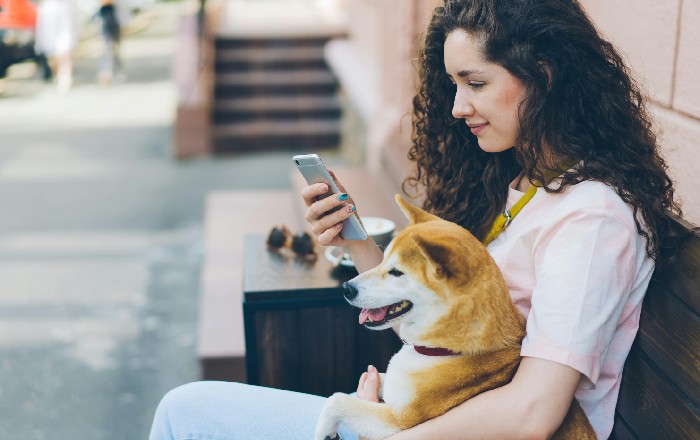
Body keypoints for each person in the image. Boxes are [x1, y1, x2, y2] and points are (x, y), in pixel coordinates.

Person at [149, 0, 685, 439]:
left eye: (474, 83)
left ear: (542, 76)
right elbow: (442, 324)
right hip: (427, 414)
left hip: (429, 429)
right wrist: (353, 235)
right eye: (453, 85)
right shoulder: (526, 184)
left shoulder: (592, 220)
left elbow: (532, 414)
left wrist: (389, 432)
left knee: (184, 413)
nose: (456, 107)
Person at [34, 0, 79, 92]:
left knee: (65, 52)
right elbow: (42, 26)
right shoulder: (46, 7)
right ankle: (59, 74)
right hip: (50, 31)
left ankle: (65, 77)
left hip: (65, 29)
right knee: (53, 57)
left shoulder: (67, 5)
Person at [95, 0, 124, 83]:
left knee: (112, 47)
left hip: (113, 19)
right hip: (104, 20)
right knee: (107, 47)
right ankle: (108, 71)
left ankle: (113, 71)